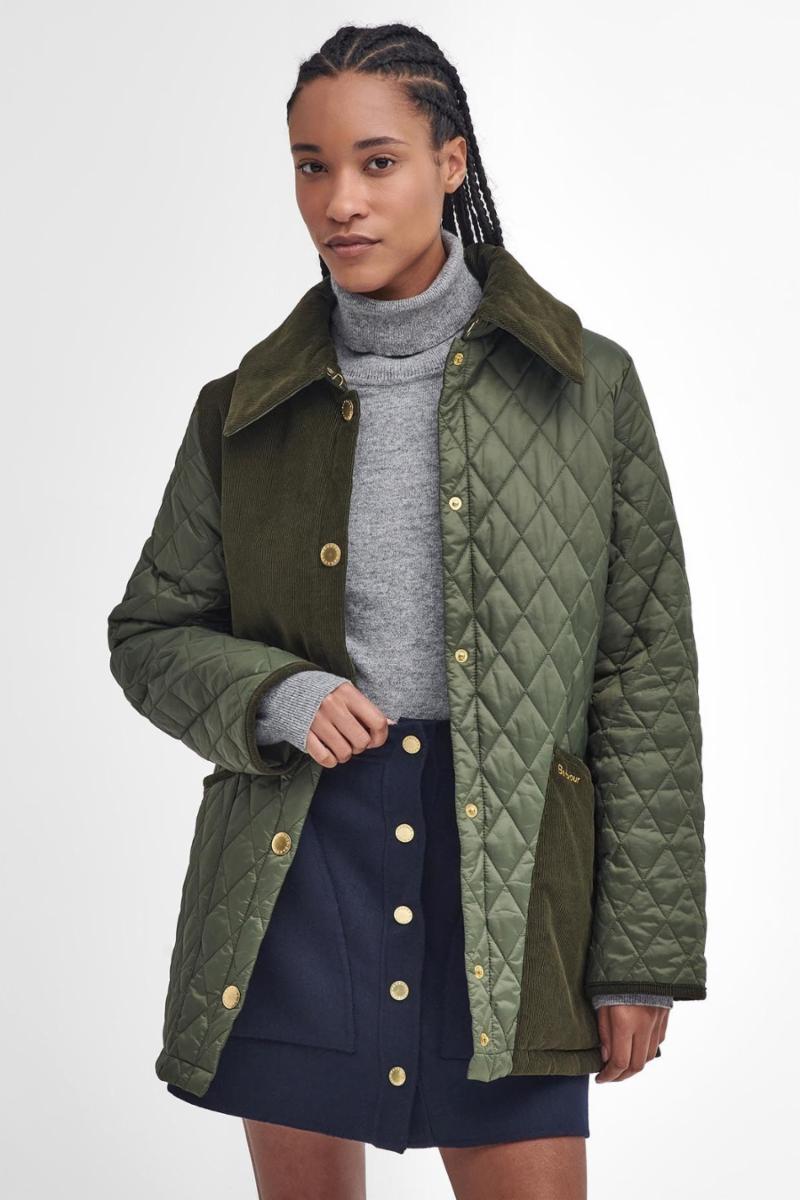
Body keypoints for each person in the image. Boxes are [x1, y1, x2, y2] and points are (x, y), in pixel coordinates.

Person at [106, 21, 707, 1200]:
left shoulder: (584, 387)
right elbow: (151, 631)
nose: (339, 201)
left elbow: (643, 668)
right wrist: (274, 694)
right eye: (311, 166)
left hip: (510, 881)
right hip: (297, 865)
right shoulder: (242, 408)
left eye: (376, 162)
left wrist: (639, 952)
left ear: (449, 161)